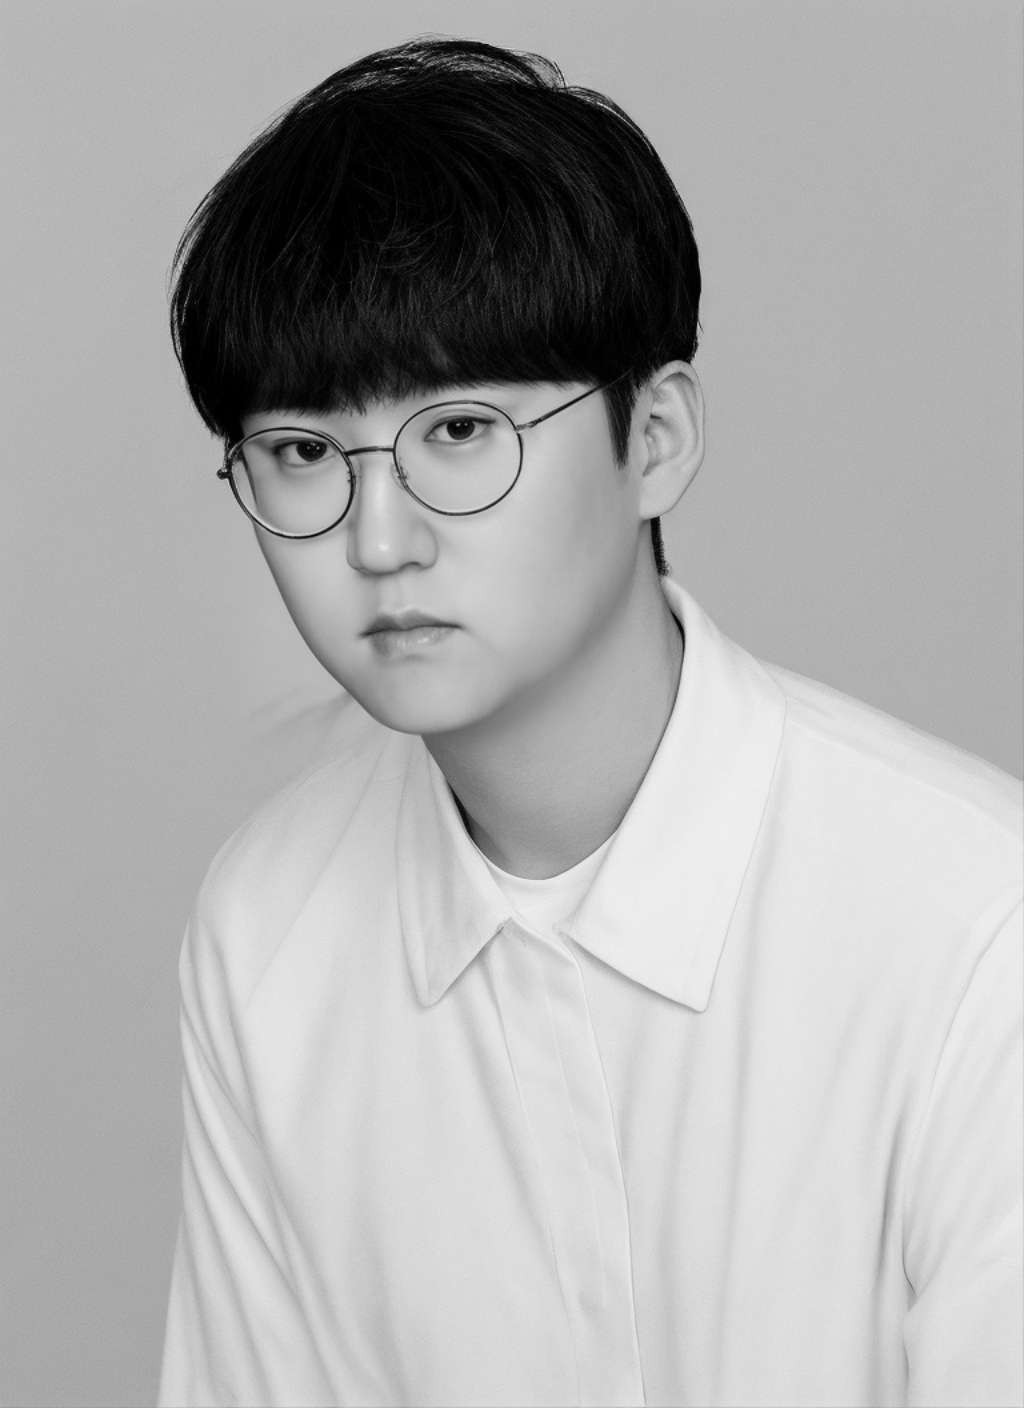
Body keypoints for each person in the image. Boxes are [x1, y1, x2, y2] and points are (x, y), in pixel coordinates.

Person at [156, 36, 1023, 1408]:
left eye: (459, 432)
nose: (378, 539)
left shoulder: (971, 923)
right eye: (304, 452)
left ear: (656, 438)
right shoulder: (270, 925)